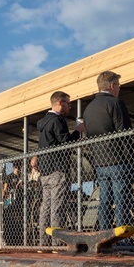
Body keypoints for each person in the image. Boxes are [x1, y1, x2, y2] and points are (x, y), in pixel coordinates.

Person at [82, 71, 134, 231]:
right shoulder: (116, 103)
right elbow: (124, 132)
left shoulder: (88, 109)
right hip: (119, 159)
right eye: (118, 85)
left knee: (104, 200)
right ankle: (122, 238)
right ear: (112, 86)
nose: (119, 88)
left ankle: (104, 236)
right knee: (122, 201)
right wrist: (132, 158)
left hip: (100, 161)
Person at [36, 91, 83, 247]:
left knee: (46, 207)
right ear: (60, 102)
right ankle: (57, 243)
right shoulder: (57, 120)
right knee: (57, 207)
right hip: (58, 169)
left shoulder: (44, 122)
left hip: (45, 170)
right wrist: (78, 131)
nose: (70, 107)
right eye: (68, 103)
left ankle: (44, 242)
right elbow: (66, 141)